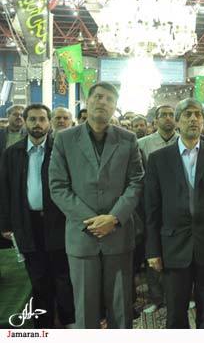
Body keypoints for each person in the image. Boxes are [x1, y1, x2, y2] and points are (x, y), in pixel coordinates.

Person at [49, 82, 144, 328]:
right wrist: (92, 221)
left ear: (115, 107)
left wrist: (114, 218)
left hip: (118, 234)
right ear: (87, 101)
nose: (103, 102)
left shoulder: (128, 139)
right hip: (82, 235)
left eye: (110, 99)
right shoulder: (65, 139)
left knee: (121, 308)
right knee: (85, 308)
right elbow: (58, 187)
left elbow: (136, 182)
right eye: (99, 97)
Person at [145, 98, 204, 328]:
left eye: (198, 114)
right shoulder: (159, 159)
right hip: (173, 245)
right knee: (175, 314)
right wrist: (153, 250)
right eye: (187, 114)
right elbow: (151, 208)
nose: (194, 119)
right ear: (177, 121)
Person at [0, 104, 75, 328]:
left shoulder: (61, 150)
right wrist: (5, 223)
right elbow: (5, 190)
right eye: (32, 119)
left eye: (42, 119)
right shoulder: (12, 153)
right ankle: (44, 327)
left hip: (58, 223)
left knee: (63, 277)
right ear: (25, 121)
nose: (37, 124)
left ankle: (69, 322)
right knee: (38, 278)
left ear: (49, 122)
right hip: (27, 224)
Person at [137, 105, 178, 313]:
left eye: (172, 115)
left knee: (177, 250)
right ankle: (156, 297)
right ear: (155, 120)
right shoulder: (143, 144)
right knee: (152, 248)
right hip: (151, 202)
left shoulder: (184, 141)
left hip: (178, 203)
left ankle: (177, 295)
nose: (168, 118)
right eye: (164, 115)